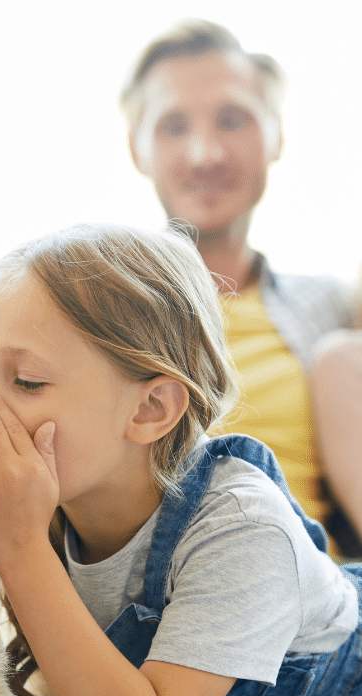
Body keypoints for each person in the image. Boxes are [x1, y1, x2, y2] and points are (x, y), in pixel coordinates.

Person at [0, 222, 362, 696]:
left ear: (150, 410)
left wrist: (18, 546)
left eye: (26, 382)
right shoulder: (52, 508)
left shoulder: (241, 527)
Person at [121, 19, 361, 555]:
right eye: (173, 126)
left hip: (329, 601)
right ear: (137, 150)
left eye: (233, 120)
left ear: (277, 137)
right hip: (169, 600)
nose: (206, 153)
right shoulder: (91, 305)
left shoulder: (332, 310)